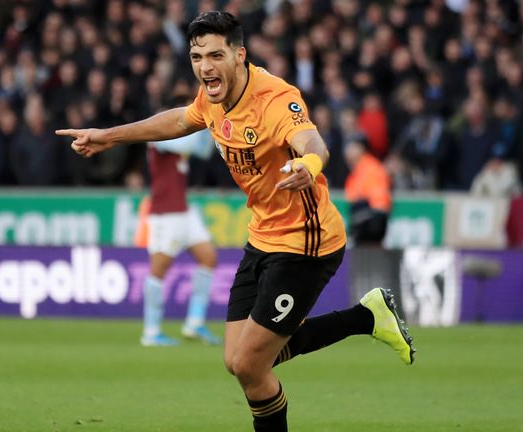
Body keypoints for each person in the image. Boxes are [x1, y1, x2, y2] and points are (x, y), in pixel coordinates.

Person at [57, 12, 415, 431]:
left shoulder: (275, 99)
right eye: (196, 57)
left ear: (239, 55)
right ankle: (366, 316)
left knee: (250, 364)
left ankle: (365, 318)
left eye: (214, 55)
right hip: (262, 235)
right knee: (237, 361)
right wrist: (109, 135)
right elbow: (178, 120)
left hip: (306, 244)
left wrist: (310, 163)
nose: (205, 66)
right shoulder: (212, 98)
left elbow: (310, 139)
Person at [135, 116, 221, 346]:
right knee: (158, 270)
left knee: (208, 258)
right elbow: (189, 144)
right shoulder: (158, 138)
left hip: (184, 210)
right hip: (165, 214)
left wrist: (208, 126)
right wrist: (208, 122)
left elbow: (203, 151)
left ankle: (194, 323)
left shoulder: (181, 140)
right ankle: (151, 332)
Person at [344, 136, 392, 245]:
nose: (347, 151)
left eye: (351, 147)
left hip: (372, 220)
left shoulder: (369, 168)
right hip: (366, 219)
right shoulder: (358, 169)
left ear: (360, 149)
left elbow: (378, 200)